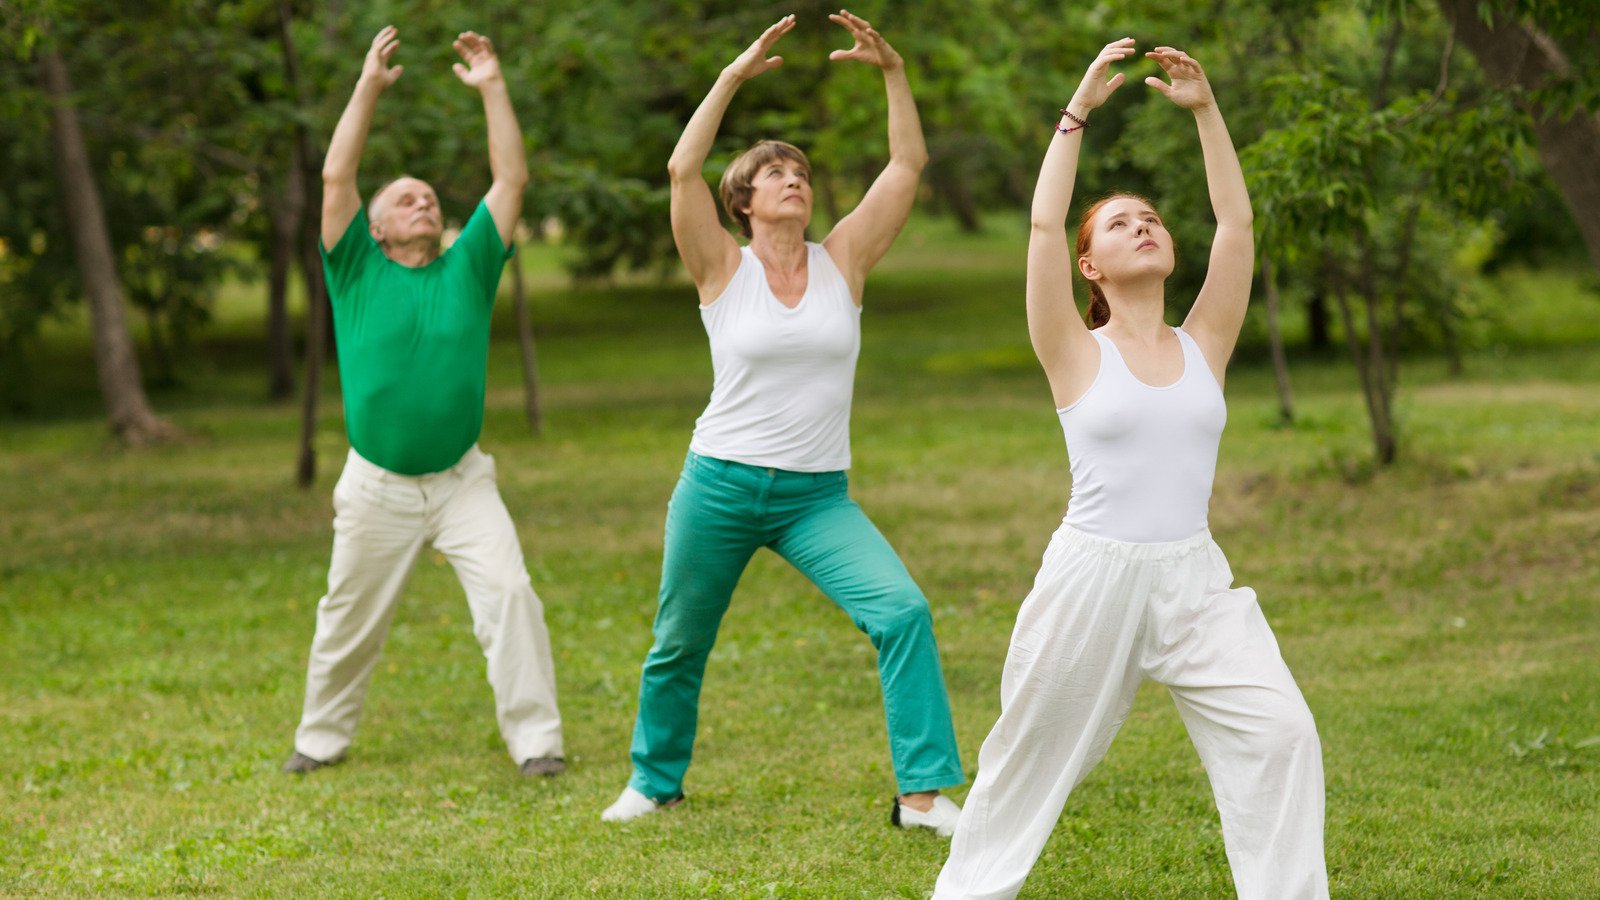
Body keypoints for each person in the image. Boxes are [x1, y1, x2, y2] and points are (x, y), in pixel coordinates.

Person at [932, 40, 1327, 898]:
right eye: (1120, 223)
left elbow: (1238, 226)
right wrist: (1075, 114)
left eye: (1150, 217)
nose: (1144, 225)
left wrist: (1208, 113)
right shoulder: (1072, 349)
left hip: (1194, 579)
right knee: (1025, 764)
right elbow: (1041, 223)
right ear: (1089, 265)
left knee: (1284, 733)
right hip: (1093, 579)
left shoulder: (1205, 341)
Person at [600, 12, 964, 834]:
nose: (793, 178)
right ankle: (654, 782)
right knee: (678, 642)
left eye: (800, 170)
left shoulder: (847, 259)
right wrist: (731, 77)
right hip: (719, 485)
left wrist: (893, 73)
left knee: (901, 611)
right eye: (773, 173)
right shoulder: (720, 267)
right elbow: (680, 164)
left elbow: (907, 163)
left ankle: (923, 797)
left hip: (815, 499)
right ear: (743, 200)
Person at [281, 26, 565, 779]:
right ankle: (319, 739)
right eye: (406, 198)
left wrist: (493, 86)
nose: (424, 201)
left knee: (510, 593)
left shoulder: (468, 266)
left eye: (430, 197)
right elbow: (337, 177)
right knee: (348, 617)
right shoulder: (354, 269)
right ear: (374, 228)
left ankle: (538, 745)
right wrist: (369, 84)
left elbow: (509, 182)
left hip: (460, 480)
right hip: (376, 485)